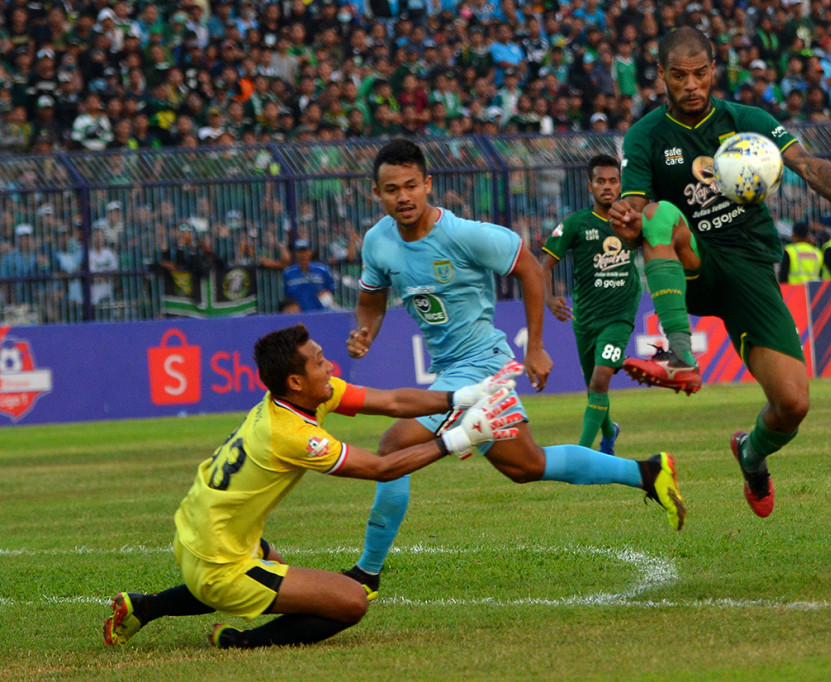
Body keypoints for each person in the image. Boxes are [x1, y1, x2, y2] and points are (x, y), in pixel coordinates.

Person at [343, 139, 687, 595]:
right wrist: (365, 331)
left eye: (410, 186)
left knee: (391, 450)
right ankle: (647, 472)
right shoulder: (378, 242)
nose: (402, 197)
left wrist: (536, 347)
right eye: (391, 189)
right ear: (376, 193)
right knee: (525, 465)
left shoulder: (465, 234)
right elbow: (370, 301)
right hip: (452, 369)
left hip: (482, 367)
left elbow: (528, 267)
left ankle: (366, 573)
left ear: (427, 184)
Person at [608, 28, 831, 519]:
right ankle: (680, 354)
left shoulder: (747, 122)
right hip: (692, 262)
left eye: (700, 73)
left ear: (714, 69)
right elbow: (636, 207)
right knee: (657, 215)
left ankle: (750, 454)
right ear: (662, 74)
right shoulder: (645, 135)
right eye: (679, 76)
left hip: (750, 269)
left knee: (793, 404)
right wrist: (626, 220)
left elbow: (808, 166)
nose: (691, 85)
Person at [103, 323, 523, 649]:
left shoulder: (299, 398)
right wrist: (461, 438)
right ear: (295, 381)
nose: (330, 367)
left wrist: (465, 396)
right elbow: (381, 468)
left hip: (201, 530)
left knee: (278, 571)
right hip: (219, 558)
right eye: (320, 362)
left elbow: (393, 402)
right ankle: (241, 642)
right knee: (352, 600)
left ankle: (145, 606)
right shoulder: (293, 435)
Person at [541, 154, 639, 455]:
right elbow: (545, 264)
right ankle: (609, 432)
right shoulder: (576, 224)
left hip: (620, 316)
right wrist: (548, 297)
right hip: (585, 318)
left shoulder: (633, 221)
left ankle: (581, 456)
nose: (607, 187)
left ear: (620, 185)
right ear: (590, 186)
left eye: (613, 181)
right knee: (594, 388)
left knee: (599, 380)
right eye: (600, 181)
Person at [282, 239, 339, 311]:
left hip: (321, 312)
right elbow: (287, 296)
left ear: (310, 252)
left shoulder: (322, 270)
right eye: (300, 252)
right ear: (295, 254)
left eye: (305, 251)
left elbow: (331, 289)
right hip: (299, 315)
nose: (303, 255)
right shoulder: (288, 273)